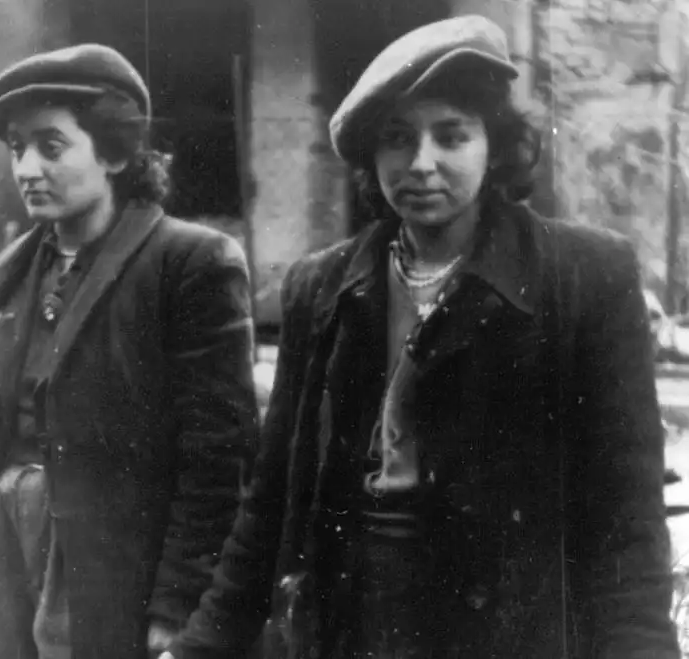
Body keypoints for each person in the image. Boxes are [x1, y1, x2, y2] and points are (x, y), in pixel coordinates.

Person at [161, 15, 679, 659]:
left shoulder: (584, 277)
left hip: (508, 629)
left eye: (451, 136)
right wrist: (198, 647)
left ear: (495, 146)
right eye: (398, 139)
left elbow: (627, 519)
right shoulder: (321, 287)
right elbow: (271, 502)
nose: (422, 164)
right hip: (354, 619)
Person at [0, 44, 259, 659]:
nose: (27, 168)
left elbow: (217, 459)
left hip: (110, 561)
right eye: (17, 148)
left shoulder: (187, 263)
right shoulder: (9, 270)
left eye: (51, 146)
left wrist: (178, 605)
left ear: (114, 152)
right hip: (2, 554)